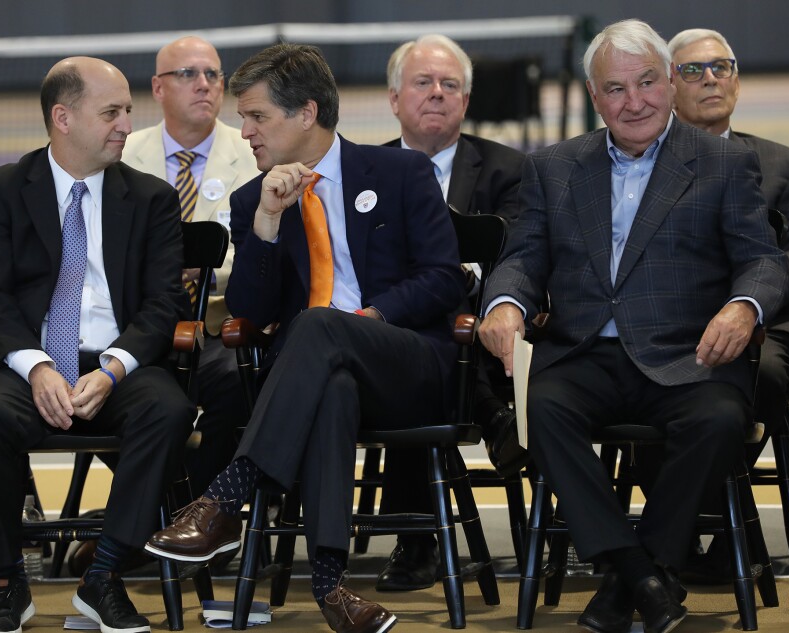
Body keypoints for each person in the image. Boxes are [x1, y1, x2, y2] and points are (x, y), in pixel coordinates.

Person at [478, 19, 788, 633]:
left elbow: (763, 259)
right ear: (595, 98)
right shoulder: (557, 166)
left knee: (722, 420)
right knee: (541, 411)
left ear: (670, 84)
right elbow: (522, 257)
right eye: (615, 89)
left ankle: (628, 580)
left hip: (688, 352)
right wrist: (505, 303)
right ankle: (644, 575)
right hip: (586, 352)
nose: (635, 101)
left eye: (647, 82)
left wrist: (743, 306)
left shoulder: (724, 163)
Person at [144, 43, 464, 633]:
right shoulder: (253, 198)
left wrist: (369, 319)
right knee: (332, 384)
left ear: (306, 113)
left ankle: (222, 498)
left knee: (321, 326)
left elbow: (445, 278)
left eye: (257, 117)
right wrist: (266, 223)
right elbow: (247, 312)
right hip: (317, 375)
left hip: (407, 364)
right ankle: (332, 588)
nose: (244, 134)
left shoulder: (398, 172)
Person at [0, 57, 196, 633]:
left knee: (170, 409)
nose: (126, 125)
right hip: (28, 366)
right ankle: (9, 581)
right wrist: (36, 367)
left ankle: (104, 577)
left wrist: (112, 369)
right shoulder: (2, 190)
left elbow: (165, 305)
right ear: (62, 118)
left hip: (119, 366)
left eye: (128, 111)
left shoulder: (153, 198)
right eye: (111, 112)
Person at [376, 33, 526, 593]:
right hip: (400, 335)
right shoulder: (368, 172)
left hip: (487, 332)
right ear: (394, 99)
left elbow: (520, 257)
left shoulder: (510, 169)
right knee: (417, 326)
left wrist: (453, 278)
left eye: (450, 85)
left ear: (465, 101)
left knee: (438, 310)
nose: (437, 94)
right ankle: (494, 419)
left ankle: (417, 544)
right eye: (423, 83)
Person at [664, 27, 789, 581]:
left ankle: (702, 521)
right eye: (694, 71)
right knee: (649, 373)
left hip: (768, 327)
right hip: (666, 326)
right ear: (669, 85)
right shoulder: (641, 164)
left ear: (737, 80)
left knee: (756, 374)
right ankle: (725, 523)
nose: (710, 80)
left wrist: (747, 284)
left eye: (720, 67)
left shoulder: (785, 166)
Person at [121, 35, 260, 497]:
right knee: (114, 392)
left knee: (239, 385)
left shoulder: (255, 153)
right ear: (158, 89)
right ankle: (173, 505)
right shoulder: (121, 155)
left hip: (221, 325)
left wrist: (209, 271)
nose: (204, 84)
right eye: (187, 74)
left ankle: (192, 505)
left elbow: (266, 245)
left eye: (212, 74)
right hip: (136, 323)